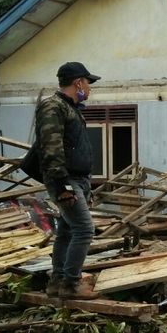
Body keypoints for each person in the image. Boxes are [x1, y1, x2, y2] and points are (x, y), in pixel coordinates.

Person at [36, 62, 101, 299]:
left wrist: (85, 188)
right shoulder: (53, 107)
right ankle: (71, 284)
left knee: (66, 231)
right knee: (84, 229)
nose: (90, 89)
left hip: (77, 180)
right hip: (66, 181)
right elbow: (50, 149)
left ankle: (56, 282)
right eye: (88, 83)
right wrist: (63, 186)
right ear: (78, 83)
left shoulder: (71, 108)